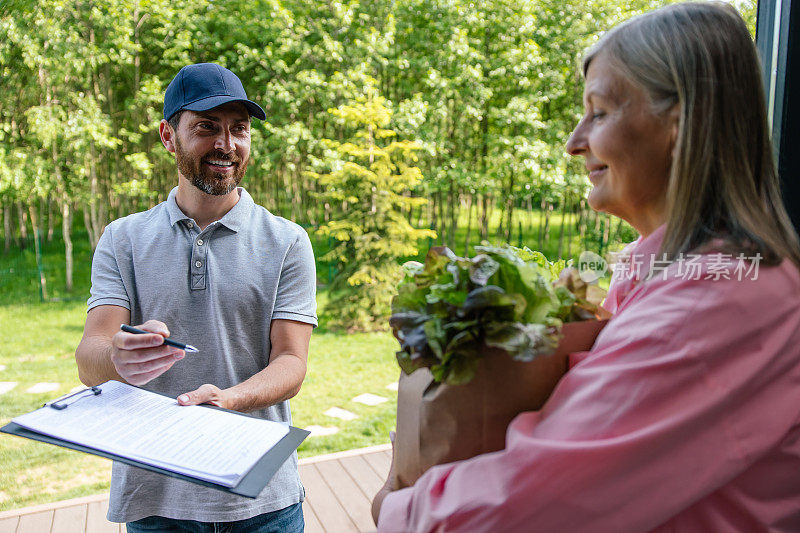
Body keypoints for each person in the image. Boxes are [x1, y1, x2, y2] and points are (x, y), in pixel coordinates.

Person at [372, 3, 800, 531]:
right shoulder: (684, 277)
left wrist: (399, 504)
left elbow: (526, 507)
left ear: (680, 123)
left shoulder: (716, 300)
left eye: (598, 113)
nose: (574, 143)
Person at [75, 63, 317, 532]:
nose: (226, 144)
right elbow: (90, 360)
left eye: (239, 129)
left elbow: (292, 363)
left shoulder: (287, 241)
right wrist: (118, 359)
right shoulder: (122, 239)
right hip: (155, 502)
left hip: (263, 501)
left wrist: (229, 400)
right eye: (207, 127)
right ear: (168, 136)